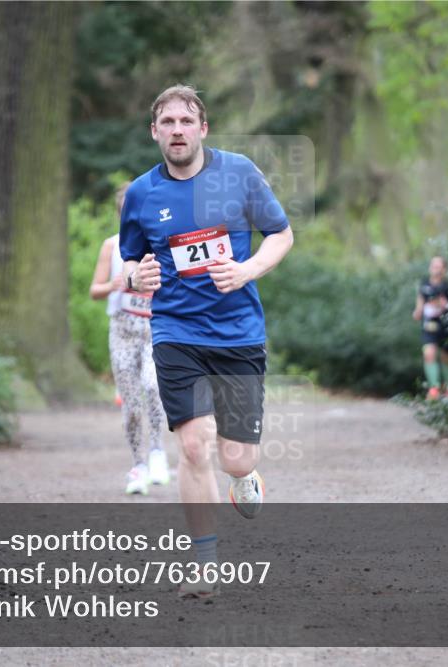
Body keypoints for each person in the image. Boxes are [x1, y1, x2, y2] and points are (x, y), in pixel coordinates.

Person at [119, 84, 293, 597]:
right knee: (193, 447)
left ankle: (245, 476)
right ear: (155, 132)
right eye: (167, 123)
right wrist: (136, 277)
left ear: (203, 128)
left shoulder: (238, 173)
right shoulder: (141, 194)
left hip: (238, 332)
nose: (177, 130)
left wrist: (246, 271)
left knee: (237, 458)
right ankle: (205, 568)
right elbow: (130, 259)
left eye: (185, 121)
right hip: (176, 330)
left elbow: (281, 234)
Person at [90, 182, 170, 495]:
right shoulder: (112, 246)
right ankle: (138, 465)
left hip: (154, 330)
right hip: (122, 331)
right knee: (132, 405)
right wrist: (116, 284)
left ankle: (158, 451)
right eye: (126, 211)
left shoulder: (160, 243)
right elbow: (94, 290)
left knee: (153, 386)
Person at [413, 256, 448, 400]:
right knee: (429, 353)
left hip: (446, 326)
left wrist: (445, 305)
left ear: (444, 270)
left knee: (446, 358)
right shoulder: (424, 284)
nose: (435, 269)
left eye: (438, 267)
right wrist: (417, 311)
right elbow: (420, 302)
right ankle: (434, 388)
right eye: (433, 266)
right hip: (428, 326)